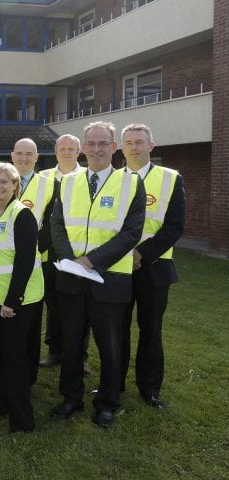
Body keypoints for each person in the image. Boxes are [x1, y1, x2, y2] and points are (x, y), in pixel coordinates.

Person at [50, 121, 146, 428]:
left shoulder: (131, 183)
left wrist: (92, 260)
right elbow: (56, 225)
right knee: (72, 343)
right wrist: (72, 261)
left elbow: (132, 233)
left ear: (114, 147)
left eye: (102, 143)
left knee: (110, 346)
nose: (96, 149)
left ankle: (107, 402)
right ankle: (70, 398)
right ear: (82, 147)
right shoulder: (67, 182)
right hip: (72, 279)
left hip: (110, 280)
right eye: (90, 143)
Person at [120, 123, 185, 409]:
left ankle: (149, 388)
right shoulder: (112, 179)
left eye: (139, 142)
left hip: (154, 267)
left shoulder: (170, 179)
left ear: (151, 146)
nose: (134, 147)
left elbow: (174, 227)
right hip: (117, 269)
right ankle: (114, 383)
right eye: (129, 142)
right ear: (121, 148)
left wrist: (141, 254)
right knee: (116, 330)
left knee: (151, 330)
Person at [0, 162, 44, 433]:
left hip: (17, 300)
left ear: (16, 185)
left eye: (5, 182)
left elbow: (25, 261)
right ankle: (1, 402)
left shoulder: (22, 215)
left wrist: (12, 301)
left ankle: (22, 419)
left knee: (15, 357)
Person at [38, 135, 92, 372]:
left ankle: (80, 355)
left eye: (72, 148)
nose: (67, 152)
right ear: (56, 151)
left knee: (81, 307)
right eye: (63, 148)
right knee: (53, 303)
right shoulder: (43, 178)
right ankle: (54, 351)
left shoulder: (89, 177)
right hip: (49, 253)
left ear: (79, 151)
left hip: (79, 254)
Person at [10, 138, 55, 385]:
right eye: (20, 153)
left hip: (39, 261)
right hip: (3, 263)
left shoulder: (50, 185)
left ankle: (29, 372)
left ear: (37, 157)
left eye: (29, 154)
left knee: (32, 317)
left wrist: (30, 249)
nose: (24, 158)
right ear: (12, 155)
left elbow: (52, 223)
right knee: (3, 315)